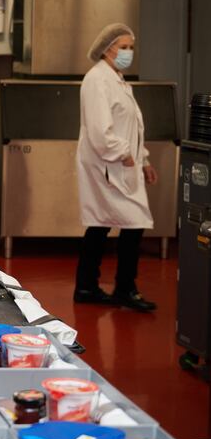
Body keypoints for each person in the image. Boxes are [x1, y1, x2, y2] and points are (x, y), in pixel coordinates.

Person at [74, 23, 157, 312]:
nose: (128, 52)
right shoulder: (97, 79)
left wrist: (144, 159)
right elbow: (100, 130)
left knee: (101, 224)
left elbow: (132, 127)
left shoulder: (118, 80)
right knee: (131, 222)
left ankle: (87, 287)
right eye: (123, 47)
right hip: (107, 164)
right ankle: (123, 288)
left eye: (131, 47)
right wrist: (124, 154)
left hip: (121, 164)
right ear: (107, 48)